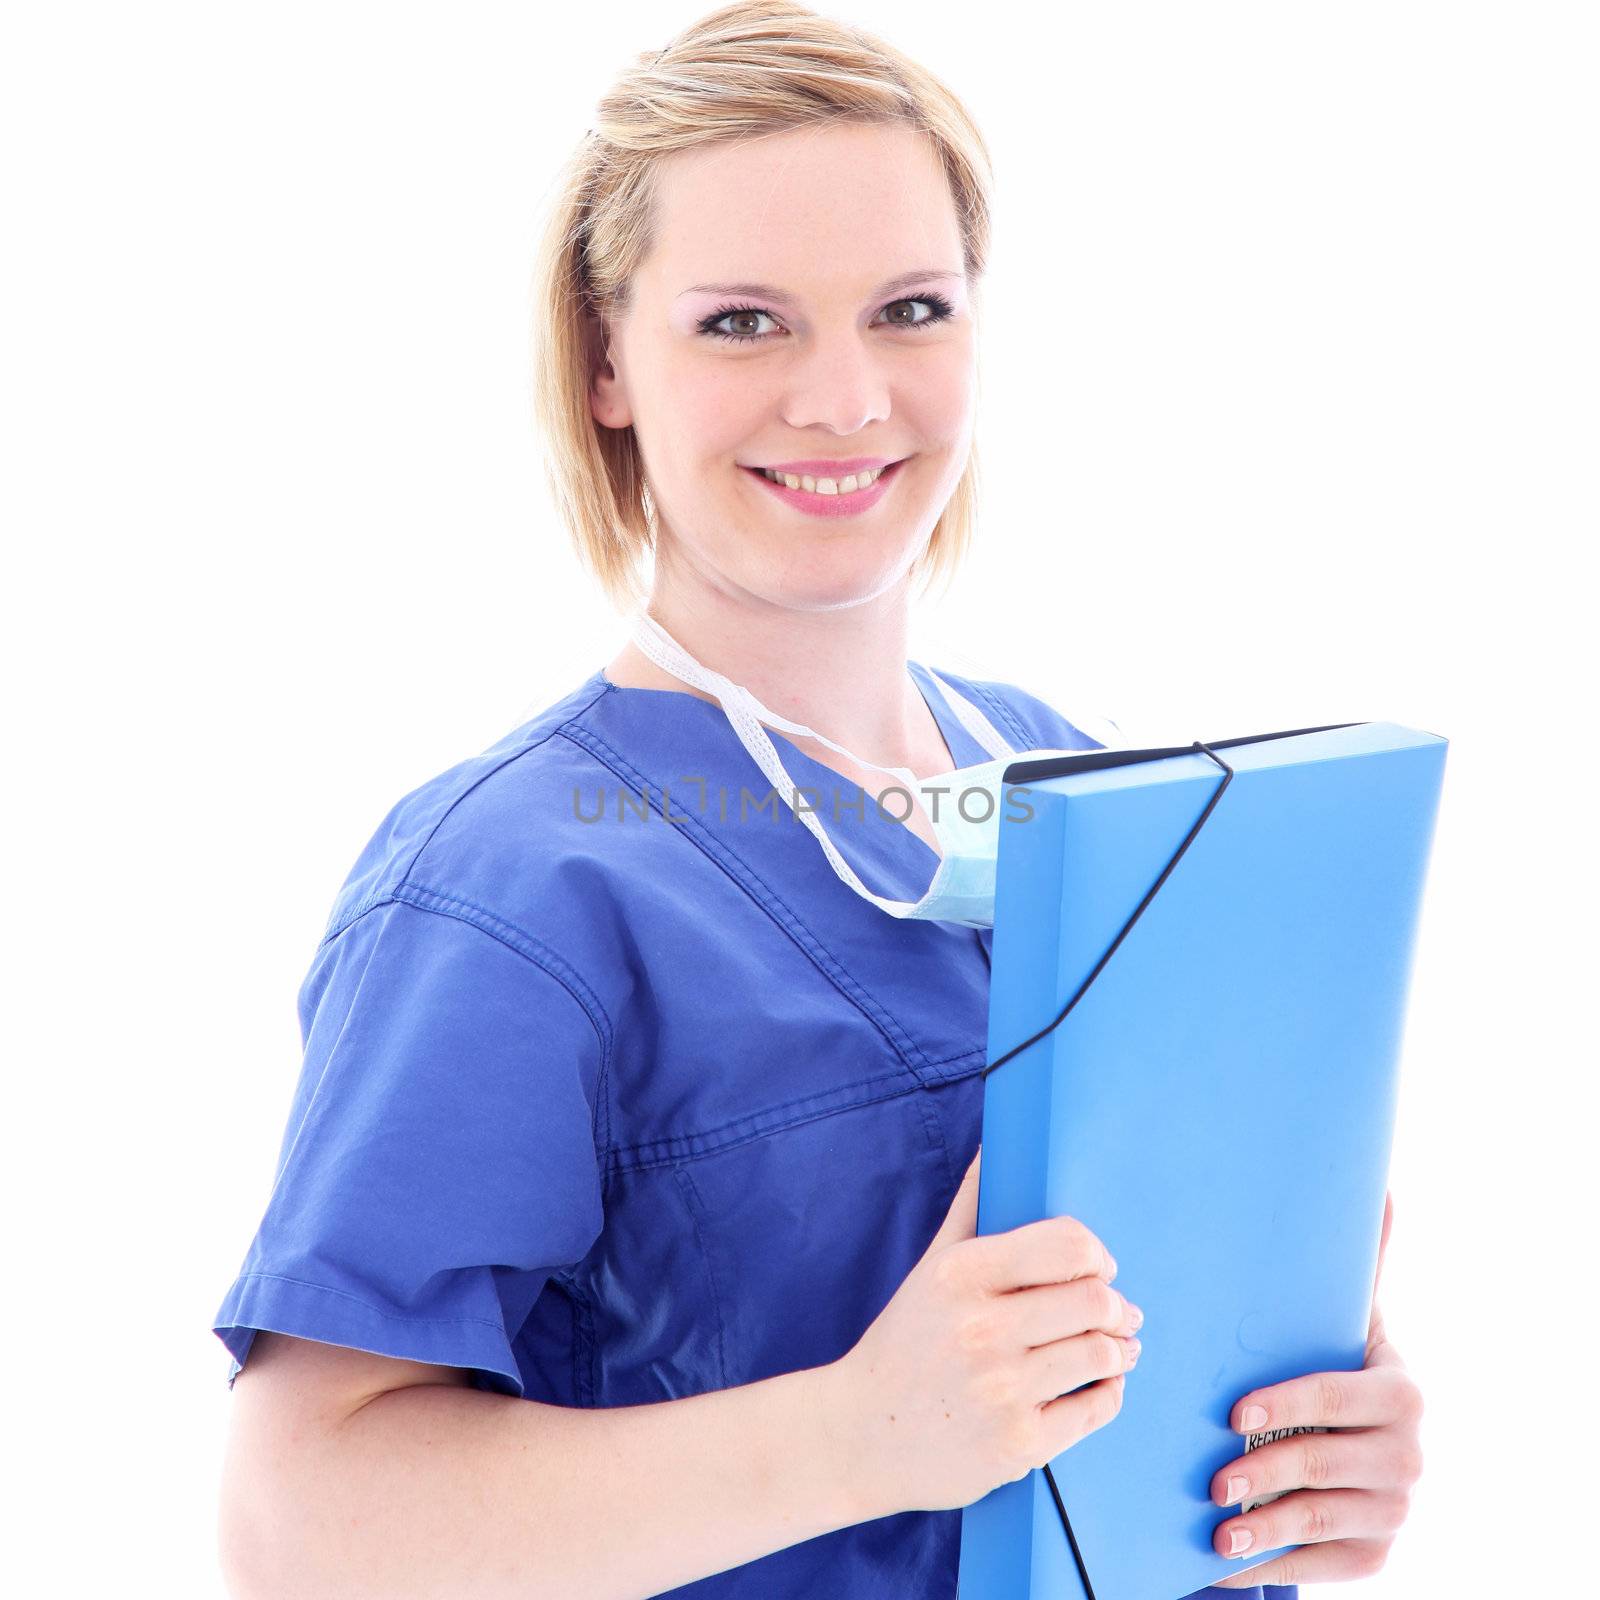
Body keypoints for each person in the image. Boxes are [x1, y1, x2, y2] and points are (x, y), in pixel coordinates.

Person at [212, 5, 1423, 1597]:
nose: (846, 401)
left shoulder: (1102, 788)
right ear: (605, 364)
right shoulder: (512, 886)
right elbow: (295, 1532)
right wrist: (865, 1433)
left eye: (909, 309)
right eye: (743, 324)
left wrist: (1316, 1453)